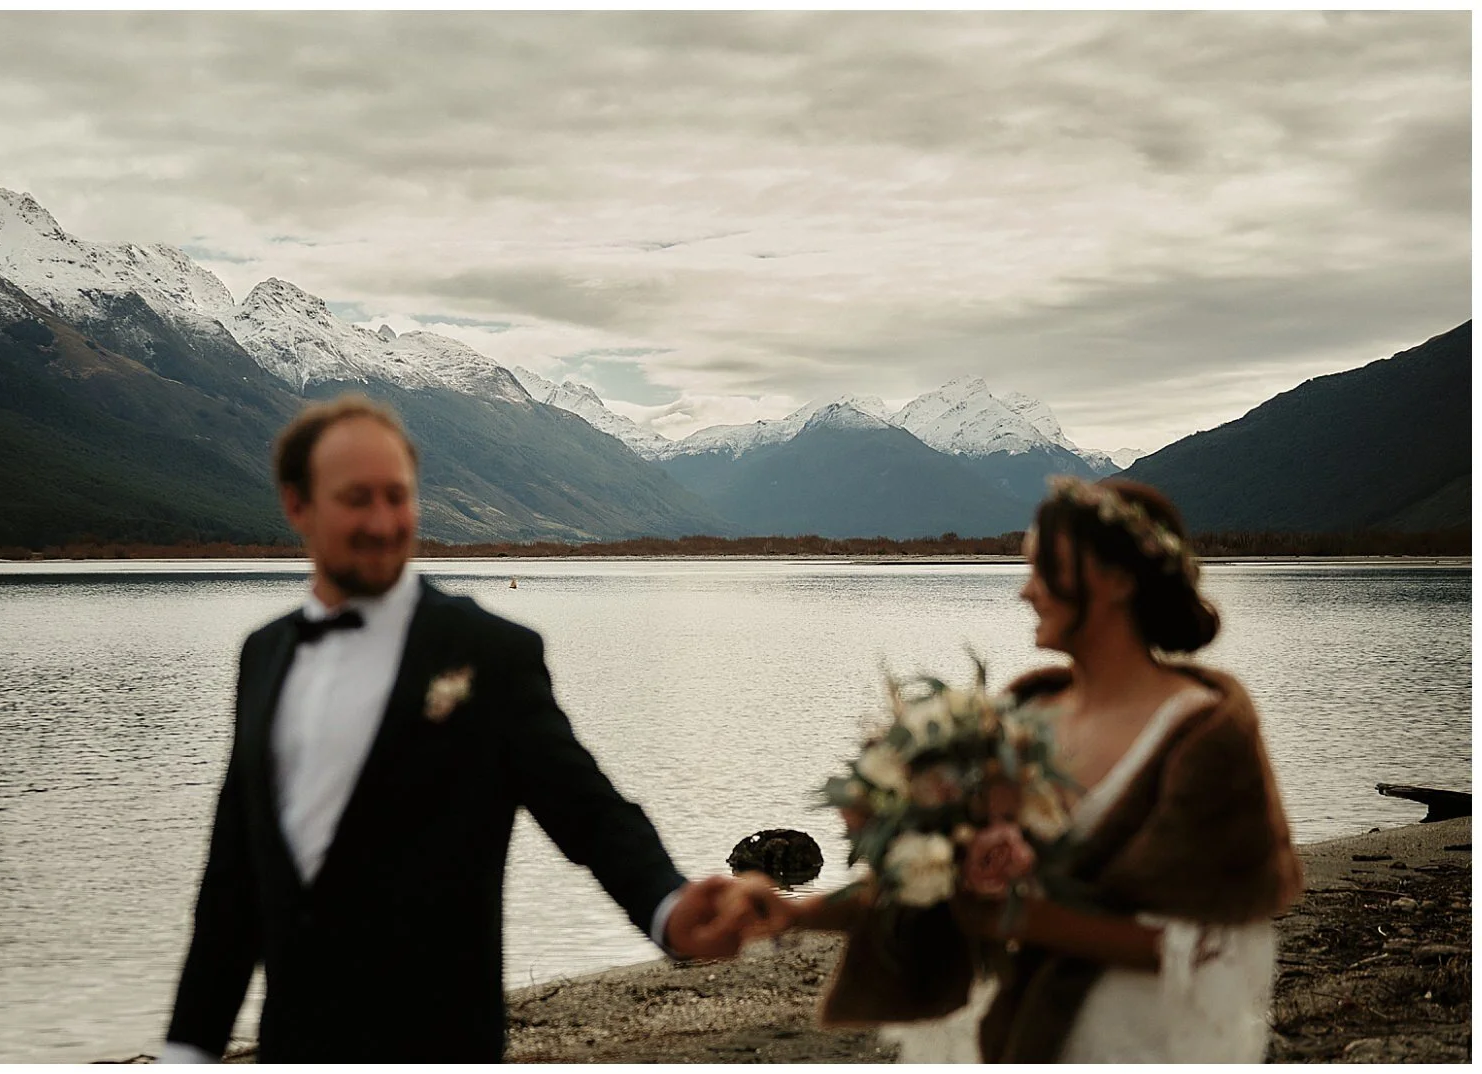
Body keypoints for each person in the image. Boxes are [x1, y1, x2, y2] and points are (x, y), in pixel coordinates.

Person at [160, 394, 784, 1063]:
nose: (383, 521)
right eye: (356, 498)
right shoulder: (265, 655)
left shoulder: (488, 653)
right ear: (297, 506)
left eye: (397, 496)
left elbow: (588, 812)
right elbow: (233, 882)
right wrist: (188, 1050)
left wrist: (668, 905)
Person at [774, 476, 1303, 1062]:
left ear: (1119, 581)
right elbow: (935, 879)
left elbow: (1219, 947)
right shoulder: (1021, 718)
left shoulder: (1205, 736)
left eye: (1043, 569)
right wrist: (792, 911)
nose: (1026, 592)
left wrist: (1021, 918)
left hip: (1132, 1040)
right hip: (1005, 1031)